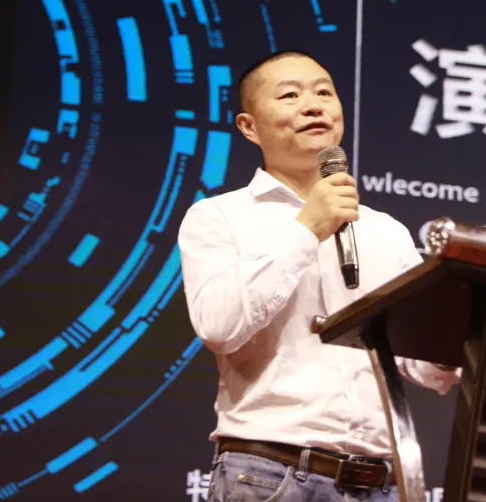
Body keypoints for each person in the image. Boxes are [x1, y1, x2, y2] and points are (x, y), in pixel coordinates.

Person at [178, 50, 460, 502]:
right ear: (249, 126)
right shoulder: (218, 216)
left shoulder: (385, 230)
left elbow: (422, 367)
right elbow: (219, 327)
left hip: (381, 483)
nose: (313, 106)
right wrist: (308, 230)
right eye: (290, 95)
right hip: (270, 475)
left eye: (324, 93)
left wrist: (451, 343)